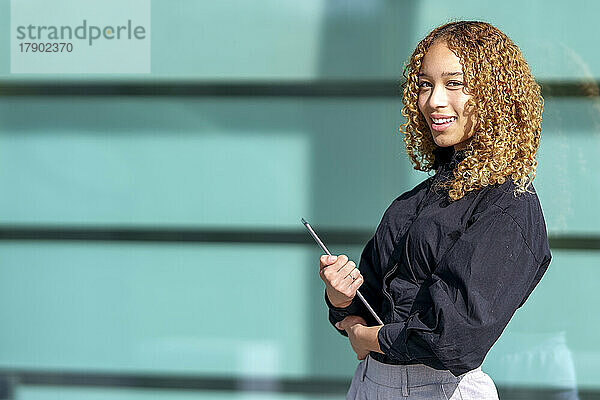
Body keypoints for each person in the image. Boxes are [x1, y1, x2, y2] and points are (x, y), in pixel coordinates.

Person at [318, 21, 552, 400]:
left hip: (440, 389)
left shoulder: (509, 205)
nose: (433, 100)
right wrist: (341, 298)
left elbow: (456, 339)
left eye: (454, 83)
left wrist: (370, 337)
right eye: (425, 84)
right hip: (368, 383)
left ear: (495, 94)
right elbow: (375, 300)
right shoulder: (414, 201)